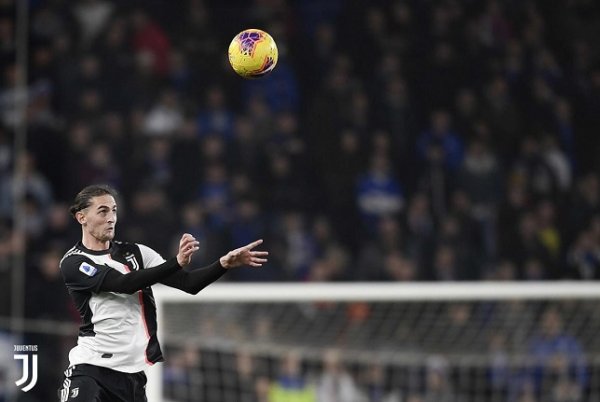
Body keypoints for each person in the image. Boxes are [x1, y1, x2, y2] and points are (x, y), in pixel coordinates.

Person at [57, 184, 268, 401]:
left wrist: (223, 264)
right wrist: (175, 262)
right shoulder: (74, 262)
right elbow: (123, 283)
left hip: (133, 375)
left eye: (114, 210)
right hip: (91, 369)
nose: (111, 217)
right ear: (82, 217)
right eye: (103, 211)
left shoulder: (137, 253)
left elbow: (188, 284)